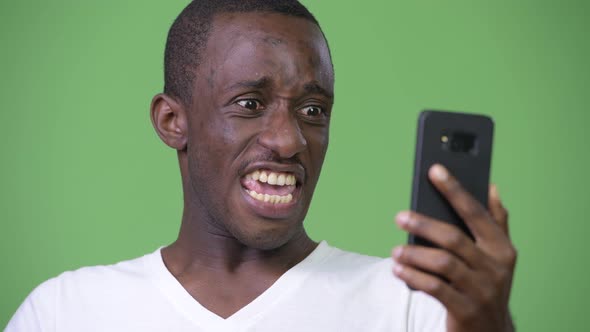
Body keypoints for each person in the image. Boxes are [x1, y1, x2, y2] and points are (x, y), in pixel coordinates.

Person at [6, 1, 517, 331]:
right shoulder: (65, 311)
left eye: (313, 111)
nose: (289, 139)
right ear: (171, 121)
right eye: (249, 103)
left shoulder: (418, 307)